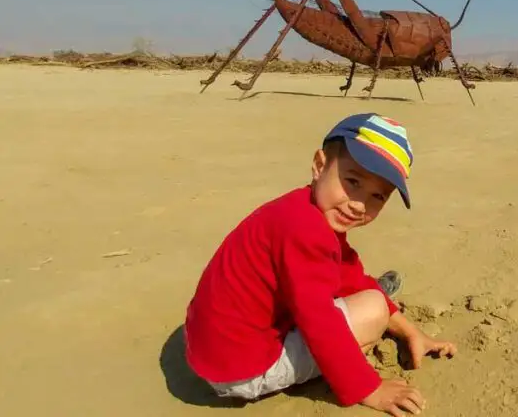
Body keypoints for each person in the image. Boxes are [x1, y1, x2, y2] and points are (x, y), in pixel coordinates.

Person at [183, 112, 456, 416]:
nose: (358, 204)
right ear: (319, 165)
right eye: (352, 182)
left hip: (210, 345)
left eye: (377, 196)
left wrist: (410, 332)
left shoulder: (302, 209)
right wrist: (370, 388)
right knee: (373, 311)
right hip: (239, 371)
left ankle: (371, 308)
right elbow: (319, 321)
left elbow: (351, 275)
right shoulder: (305, 231)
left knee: (360, 291)